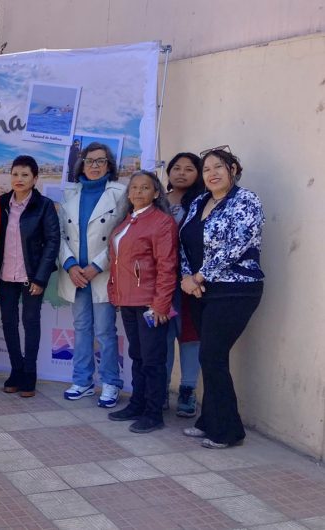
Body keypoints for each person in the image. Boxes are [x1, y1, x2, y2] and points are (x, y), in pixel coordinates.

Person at [180, 147, 264, 449]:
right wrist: (186, 278)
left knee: (212, 356)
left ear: (233, 169)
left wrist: (200, 276)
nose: (212, 173)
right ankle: (209, 421)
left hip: (236, 289)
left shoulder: (246, 200)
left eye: (219, 167)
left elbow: (236, 245)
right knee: (212, 357)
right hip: (200, 291)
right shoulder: (199, 202)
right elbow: (184, 242)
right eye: (206, 169)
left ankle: (229, 431)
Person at [106, 171, 178, 433]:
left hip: (149, 303)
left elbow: (167, 267)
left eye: (144, 188)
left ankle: (153, 412)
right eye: (134, 188)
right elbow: (116, 263)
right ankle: (137, 403)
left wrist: (160, 304)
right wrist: (114, 292)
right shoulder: (127, 221)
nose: (137, 192)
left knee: (152, 359)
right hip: (127, 301)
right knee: (136, 355)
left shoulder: (161, 222)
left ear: (156, 193)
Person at [57, 142, 127, 407]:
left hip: (102, 273)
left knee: (106, 332)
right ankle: (83, 381)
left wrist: (96, 266)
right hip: (75, 275)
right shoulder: (69, 193)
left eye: (101, 161)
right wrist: (70, 265)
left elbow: (121, 236)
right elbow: (60, 234)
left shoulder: (120, 193)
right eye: (89, 161)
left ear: (109, 164)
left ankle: (110, 383)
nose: (95, 166)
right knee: (81, 329)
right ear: (81, 164)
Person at [0, 155, 60, 398]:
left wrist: (41, 278)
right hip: (4, 275)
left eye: (24, 175)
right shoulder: (1, 203)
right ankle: (16, 369)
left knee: (31, 323)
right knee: (9, 323)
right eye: (15, 174)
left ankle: (29, 373)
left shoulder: (44, 206)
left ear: (35, 179)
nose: (18, 179)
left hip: (31, 277)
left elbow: (53, 243)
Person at [164, 152, 205, 416]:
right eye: (176, 168)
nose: (181, 173)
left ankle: (187, 391)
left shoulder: (202, 202)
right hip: (162, 282)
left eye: (189, 169)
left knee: (190, 338)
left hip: (190, 282)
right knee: (163, 337)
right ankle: (160, 389)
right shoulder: (158, 201)